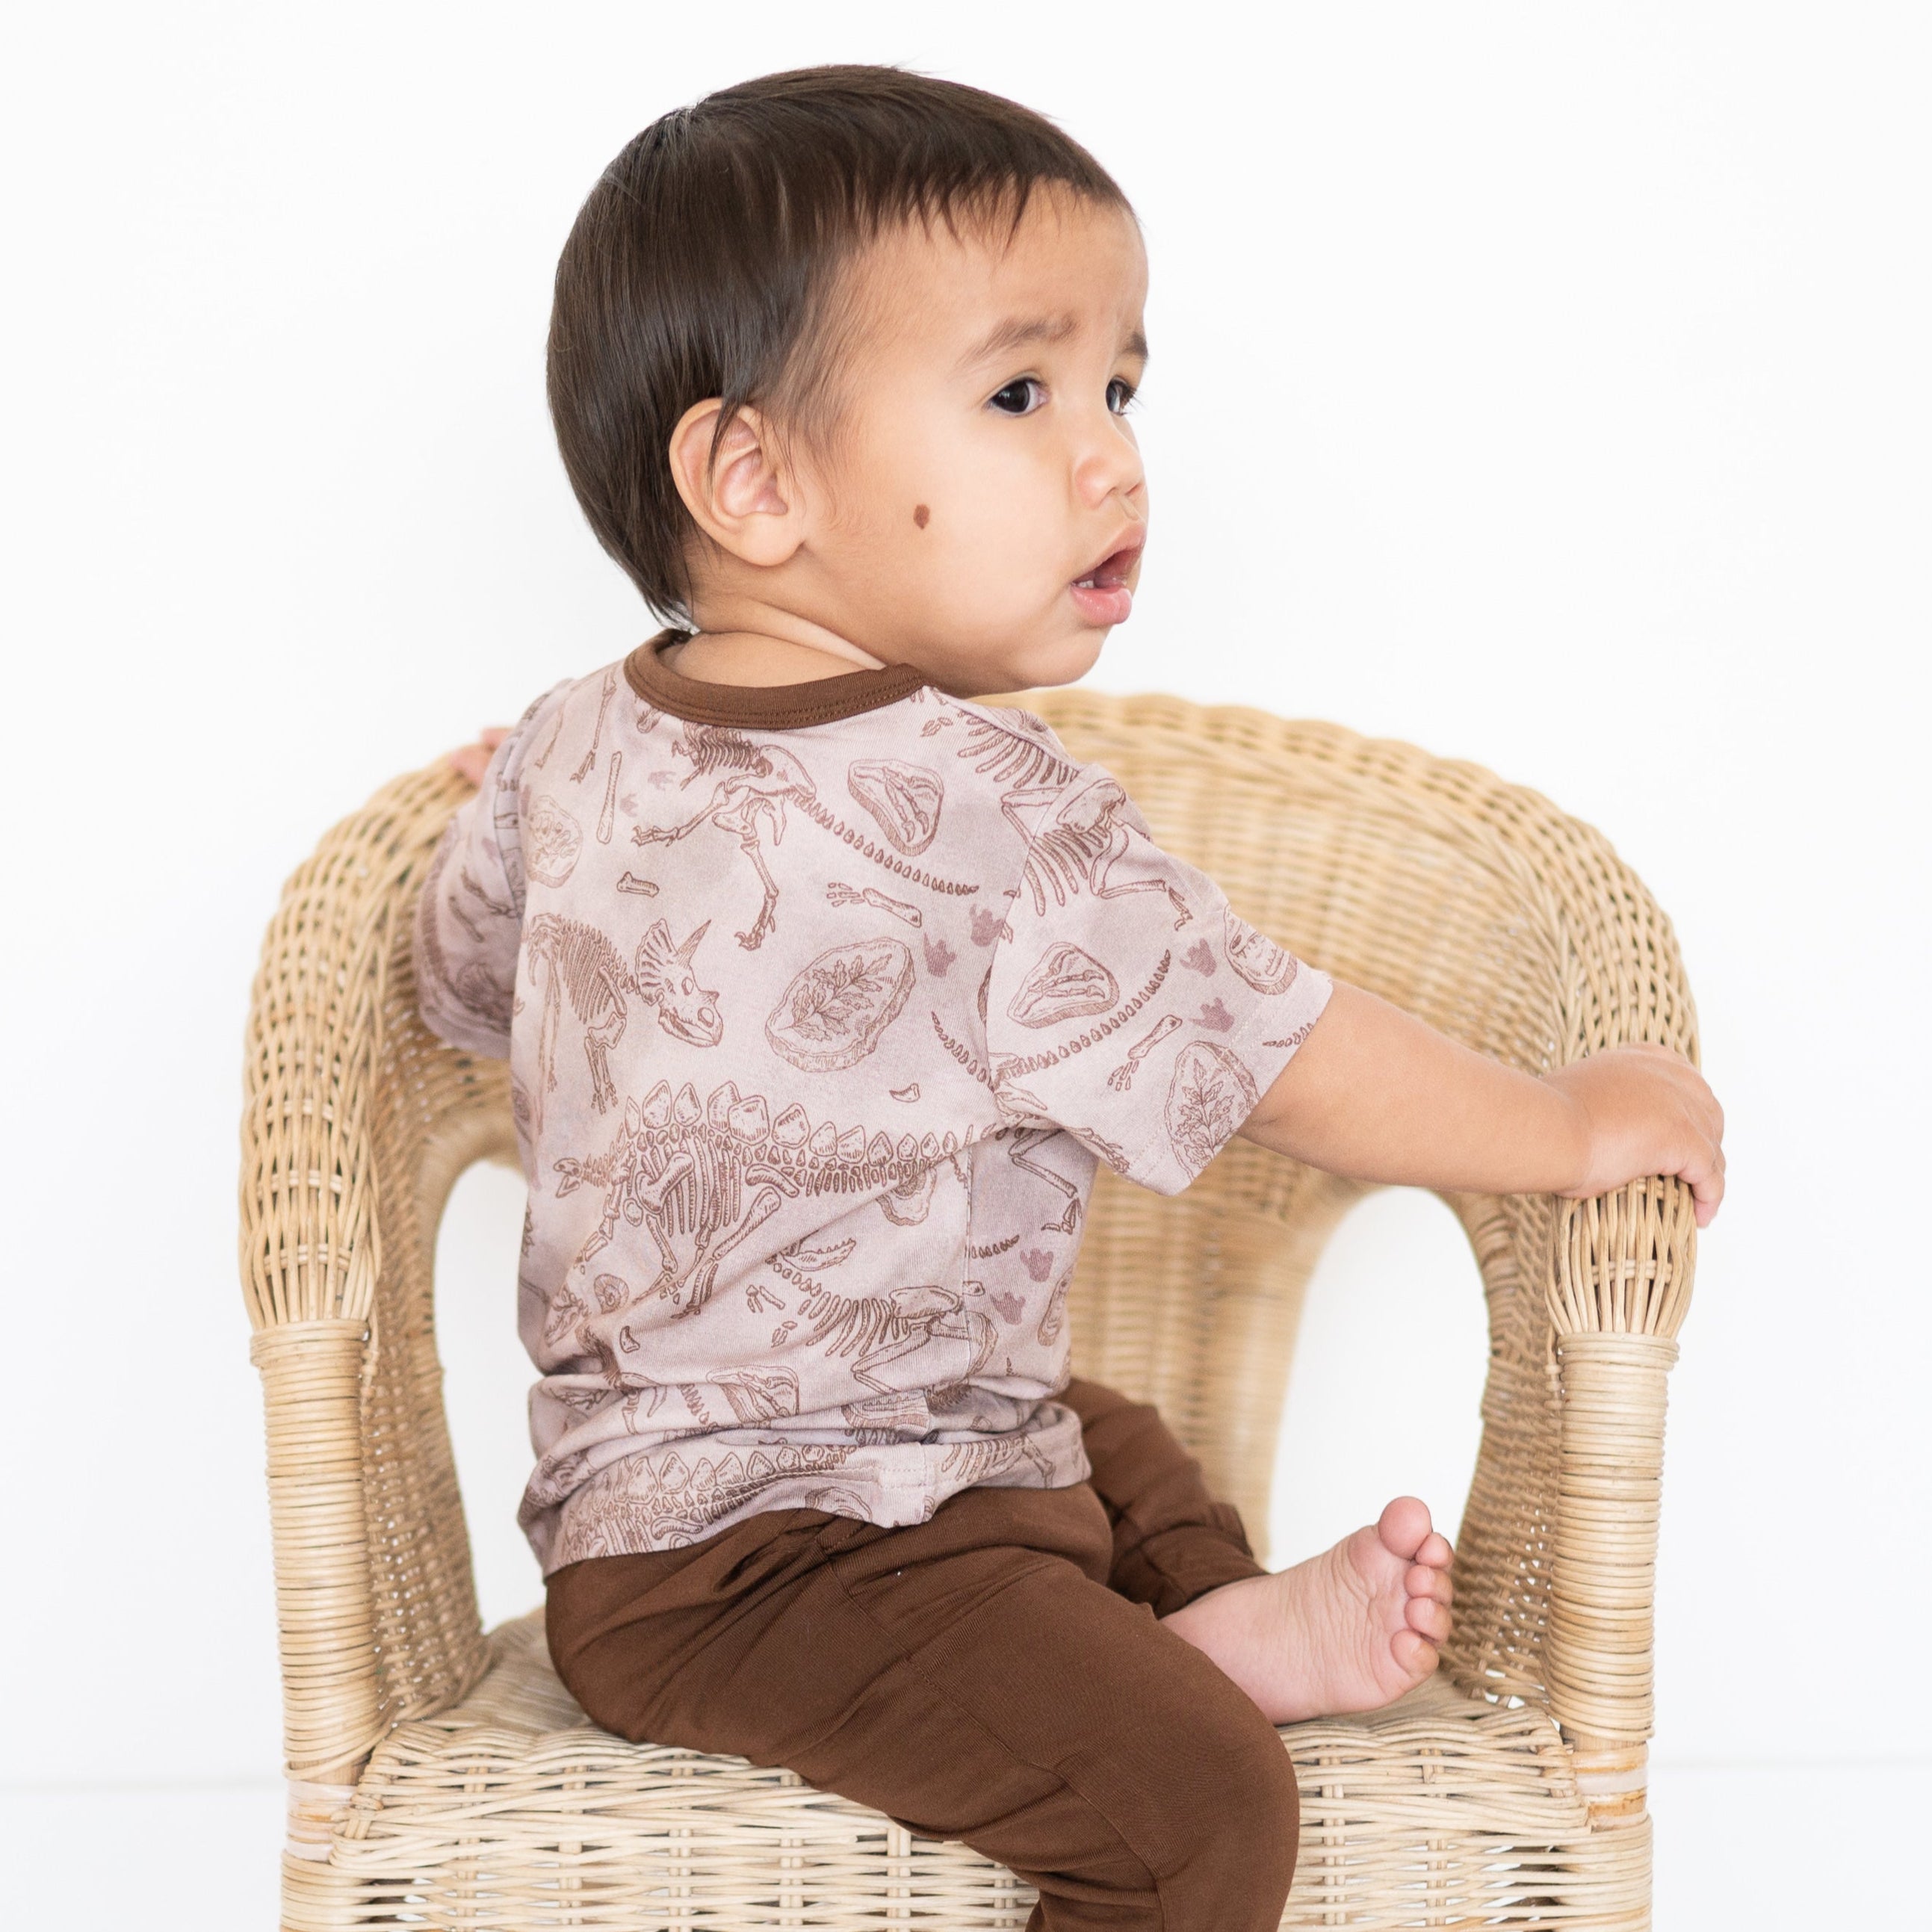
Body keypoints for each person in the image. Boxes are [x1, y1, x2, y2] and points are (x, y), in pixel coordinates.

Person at [415, 65, 1724, 1932]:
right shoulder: (1000, 819)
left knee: (1108, 1438)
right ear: (757, 481)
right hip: (773, 1584)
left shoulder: (567, 746)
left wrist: (515, 814)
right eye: (1024, 395)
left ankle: (1206, 1622)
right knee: (1204, 1817)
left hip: (681, 1527)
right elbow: (1290, 1058)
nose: (1113, 459)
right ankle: (1192, 1685)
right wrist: (1569, 1126)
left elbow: (457, 980)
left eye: (1121, 387)